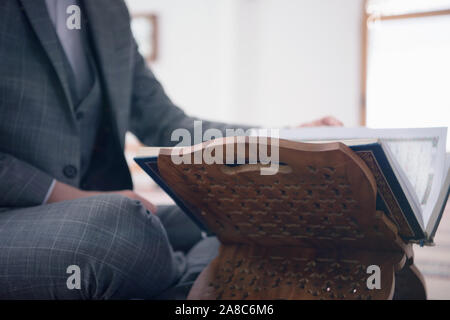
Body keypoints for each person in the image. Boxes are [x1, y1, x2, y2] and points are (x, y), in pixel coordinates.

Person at [0, 0, 342, 299]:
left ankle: (180, 289)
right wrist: (72, 197)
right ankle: (186, 279)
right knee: (120, 225)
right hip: (15, 212)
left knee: (228, 218)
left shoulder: (109, 9)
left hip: (105, 208)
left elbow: (167, 123)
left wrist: (279, 138)